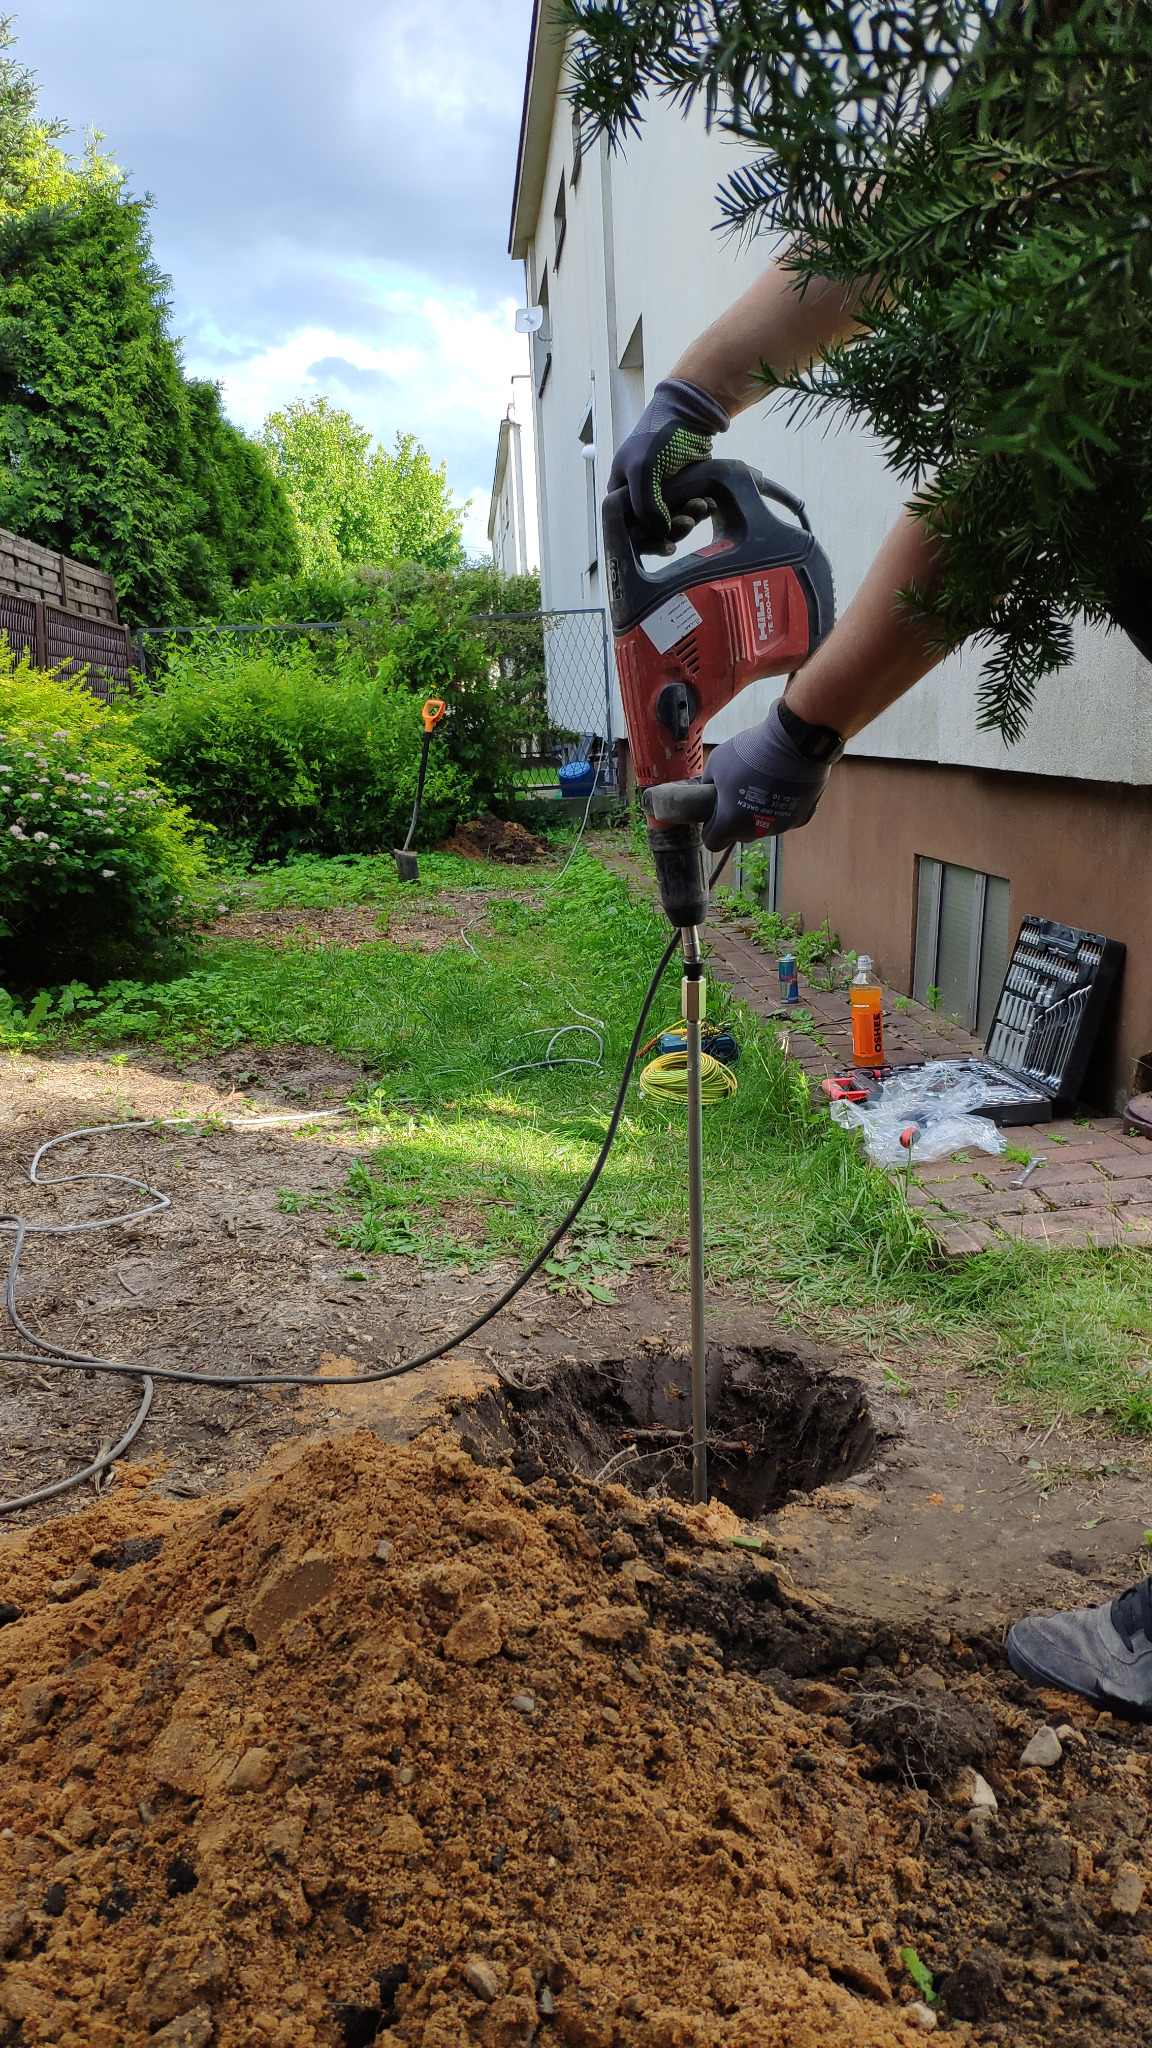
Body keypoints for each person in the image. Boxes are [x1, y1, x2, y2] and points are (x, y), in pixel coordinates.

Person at [606, 252, 1152, 1717]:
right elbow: (1005, 492)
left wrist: (697, 387)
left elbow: (923, 223)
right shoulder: (1094, 282)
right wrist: (802, 727)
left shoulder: (1087, 139)